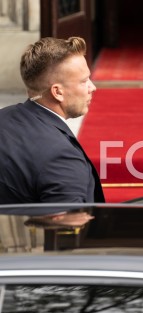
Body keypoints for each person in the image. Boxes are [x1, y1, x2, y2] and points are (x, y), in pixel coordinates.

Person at [0, 37, 104, 204]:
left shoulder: (3, 117)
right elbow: (67, 226)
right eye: (84, 81)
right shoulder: (61, 158)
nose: (92, 87)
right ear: (58, 92)